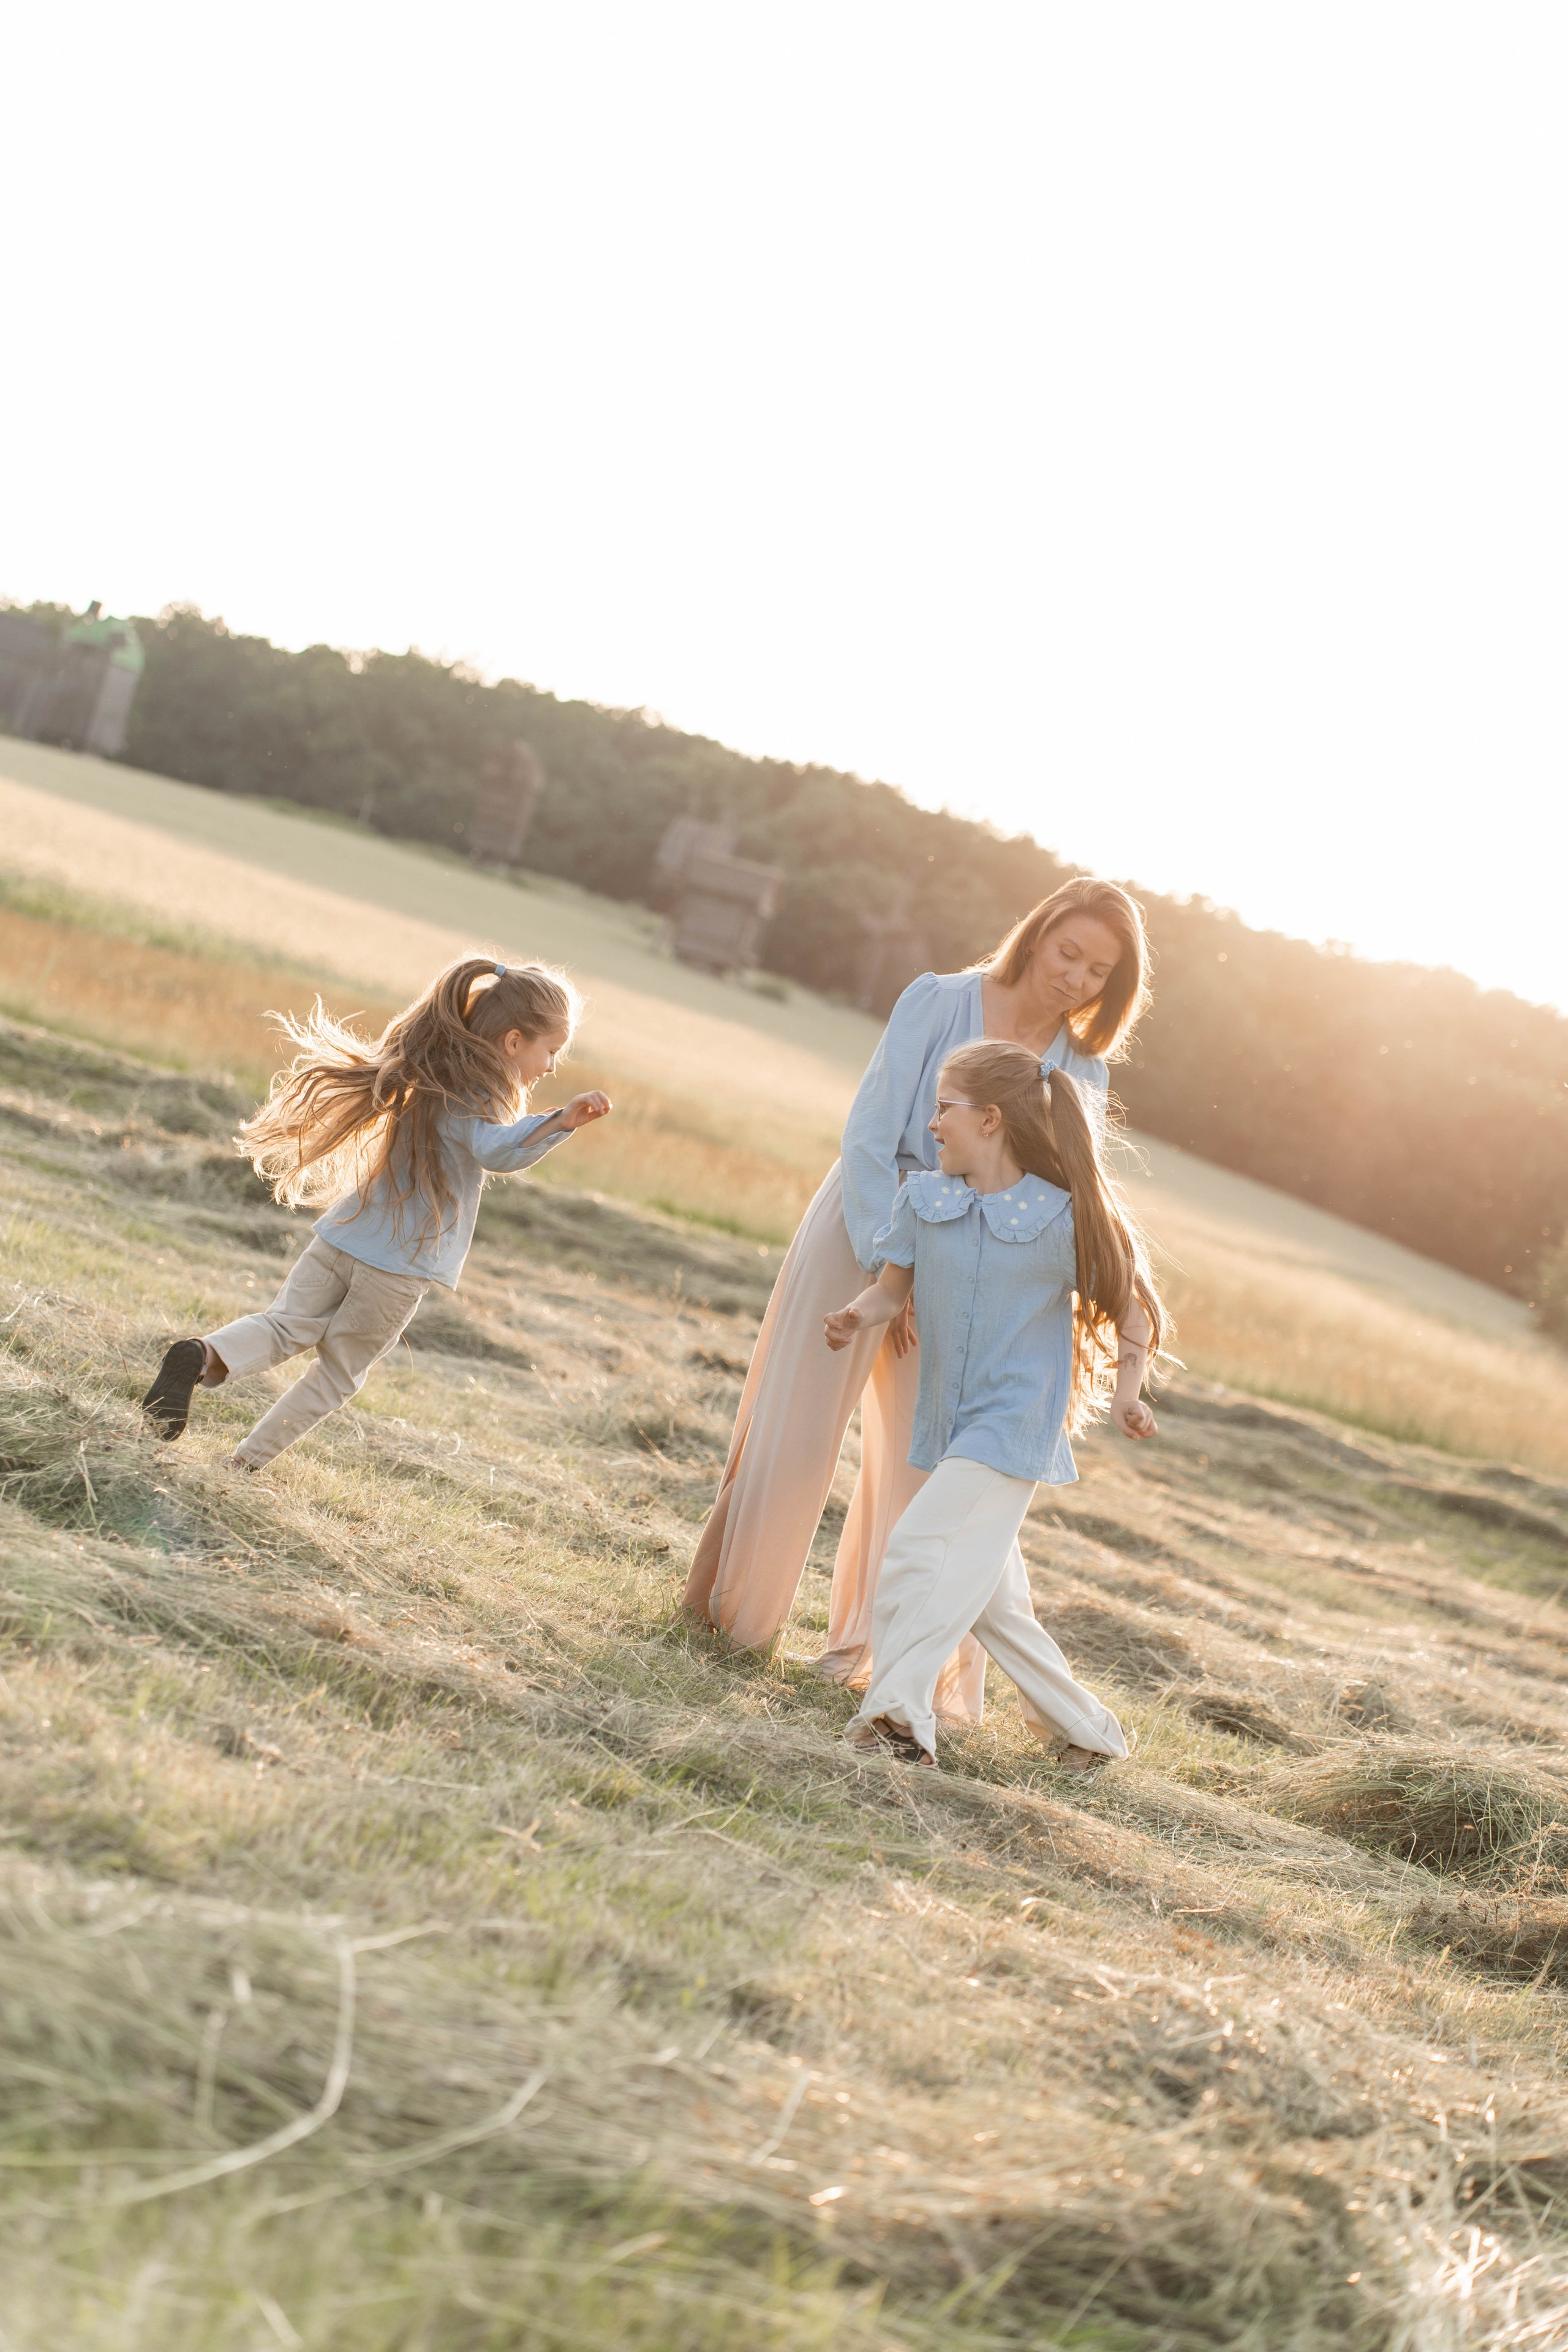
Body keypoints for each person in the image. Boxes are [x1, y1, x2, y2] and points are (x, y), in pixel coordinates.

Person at [682, 878, 1150, 1732]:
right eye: (1068, 953)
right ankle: (730, 1620)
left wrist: (957, 1284)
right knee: (796, 1429)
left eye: (1099, 971)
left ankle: (891, 1665)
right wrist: (888, 1273)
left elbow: (1061, 1190)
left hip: (973, 1272)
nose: (1076, 978)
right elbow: (870, 1133)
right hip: (865, 1222)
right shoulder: (938, 1001)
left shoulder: (1082, 1068)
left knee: (928, 1464)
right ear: (1038, 934)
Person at [823, 1039, 1165, 1770]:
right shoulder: (925, 1201)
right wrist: (857, 1315)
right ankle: (1090, 1734)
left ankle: (897, 1718)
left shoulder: (1058, 1221)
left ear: (990, 1120)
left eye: (944, 1108)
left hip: (1013, 1424)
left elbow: (1129, 1306)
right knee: (996, 1606)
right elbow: (890, 1290)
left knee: (918, 1549)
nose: (931, 1123)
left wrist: (1127, 1394)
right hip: (949, 1421)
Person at [139, 956, 610, 1469]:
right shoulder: (481, 1098)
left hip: (344, 1236)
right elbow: (494, 1150)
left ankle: (201, 1355)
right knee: (338, 1374)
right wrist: (560, 1122)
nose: (551, 1067)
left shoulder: (428, 1071)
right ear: (514, 1042)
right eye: (551, 1051)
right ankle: (243, 1464)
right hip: (397, 1266)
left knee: (284, 1326)